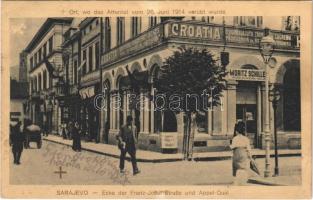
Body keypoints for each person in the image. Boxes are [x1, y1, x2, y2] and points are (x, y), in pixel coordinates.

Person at [230, 121, 251, 185]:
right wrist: (250, 155)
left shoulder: (235, 139)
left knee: (236, 167)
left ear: (237, 131)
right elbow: (248, 148)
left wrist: (230, 146)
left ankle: (236, 180)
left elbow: (232, 147)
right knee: (243, 167)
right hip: (243, 154)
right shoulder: (246, 139)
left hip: (236, 154)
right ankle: (243, 180)